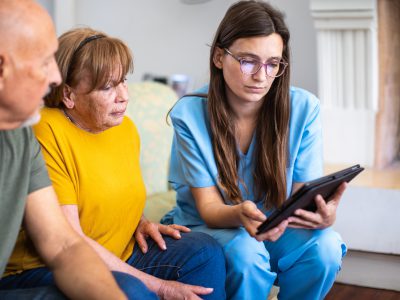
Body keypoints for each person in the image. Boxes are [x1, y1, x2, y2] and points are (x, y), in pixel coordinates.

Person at [3, 26, 226, 300]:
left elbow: (108, 193)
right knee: (130, 290)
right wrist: (161, 287)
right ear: (68, 95)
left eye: (123, 81)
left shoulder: (124, 128)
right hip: (47, 267)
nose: (123, 96)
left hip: (117, 251)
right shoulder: (46, 130)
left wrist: (139, 221)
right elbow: (67, 238)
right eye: (107, 87)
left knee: (204, 253)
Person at [161, 1, 348, 299]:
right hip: (215, 225)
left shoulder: (304, 108)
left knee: (324, 247)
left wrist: (322, 216)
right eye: (248, 61)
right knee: (246, 254)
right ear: (219, 57)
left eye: (273, 63)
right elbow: (209, 210)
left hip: (276, 225)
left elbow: (301, 198)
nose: (261, 76)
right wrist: (240, 213)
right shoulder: (190, 114)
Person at [0, 0, 153, 299]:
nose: (55, 79)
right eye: (44, 62)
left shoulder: (20, 136)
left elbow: (64, 244)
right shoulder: (42, 130)